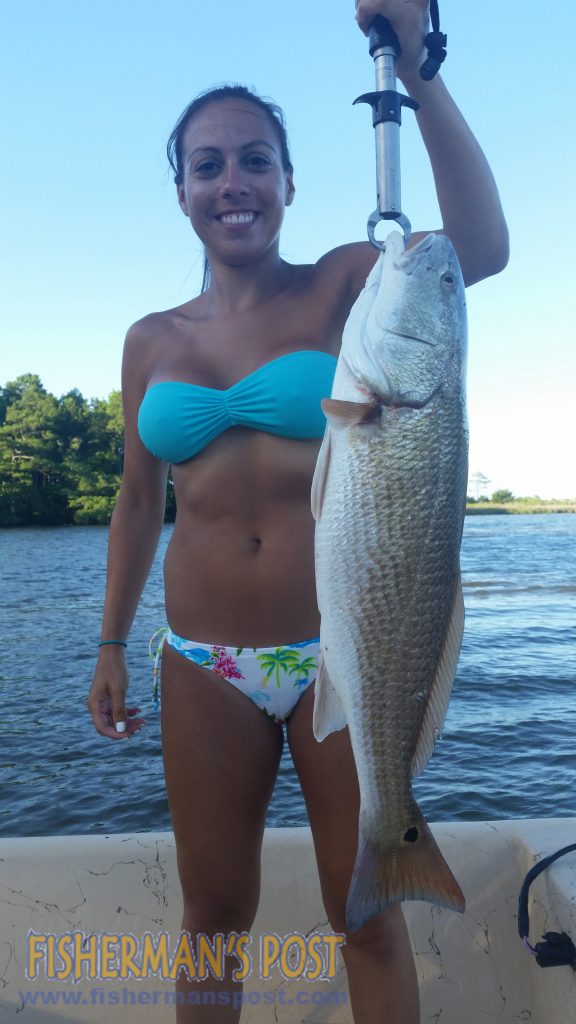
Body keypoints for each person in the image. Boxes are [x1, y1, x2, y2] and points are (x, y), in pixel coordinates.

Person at [87, 1, 508, 1019]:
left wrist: (418, 69)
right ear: (183, 189)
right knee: (212, 916)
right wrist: (108, 641)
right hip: (202, 660)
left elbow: (481, 248)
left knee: (364, 915)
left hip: (345, 646)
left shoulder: (351, 285)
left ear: (289, 180)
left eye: (256, 160)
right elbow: (140, 502)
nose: (234, 182)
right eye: (209, 164)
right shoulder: (150, 339)